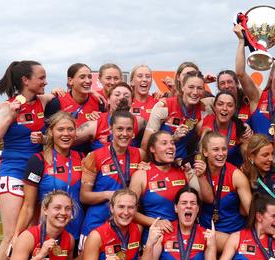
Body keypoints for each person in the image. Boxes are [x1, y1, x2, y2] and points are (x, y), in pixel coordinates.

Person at [0, 60, 55, 260]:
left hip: (36, 175)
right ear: (25, 80)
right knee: (11, 236)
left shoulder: (44, 102)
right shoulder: (6, 107)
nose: (45, 82)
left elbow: (56, 116)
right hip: (13, 174)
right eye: (41, 77)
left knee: (32, 233)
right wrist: (11, 114)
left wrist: (44, 136)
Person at [14, 112, 84, 247]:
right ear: (51, 132)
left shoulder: (83, 159)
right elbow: (28, 206)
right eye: (60, 129)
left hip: (76, 233)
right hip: (46, 234)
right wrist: (17, 235)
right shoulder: (38, 161)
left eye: (70, 129)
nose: (66, 134)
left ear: (75, 133)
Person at [130, 130, 213, 239]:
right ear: (152, 148)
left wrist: (201, 176)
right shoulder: (141, 175)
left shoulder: (184, 170)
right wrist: (156, 222)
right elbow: (129, 211)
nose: (170, 147)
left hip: (184, 238)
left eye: (172, 143)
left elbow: (209, 199)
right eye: (164, 143)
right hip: (156, 237)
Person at [80, 109, 145, 247]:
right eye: (119, 129)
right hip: (96, 223)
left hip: (127, 224)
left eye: (129, 129)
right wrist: (108, 195)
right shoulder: (94, 156)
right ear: (111, 129)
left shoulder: (140, 155)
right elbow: (84, 196)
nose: (124, 134)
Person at [142, 71, 205, 160]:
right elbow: (146, 144)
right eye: (191, 87)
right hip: (160, 163)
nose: (195, 92)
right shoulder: (164, 106)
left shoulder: (203, 110)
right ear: (182, 87)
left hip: (181, 164)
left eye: (199, 88)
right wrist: (173, 138)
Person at [198, 131, 252, 235]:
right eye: (215, 149)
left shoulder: (236, 176)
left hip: (233, 233)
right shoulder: (199, 172)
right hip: (205, 232)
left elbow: (249, 211)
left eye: (224, 149)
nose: (221, 154)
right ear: (205, 152)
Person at [75, 82, 143, 150]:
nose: (122, 98)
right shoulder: (95, 124)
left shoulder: (139, 122)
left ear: (131, 102)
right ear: (108, 100)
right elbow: (67, 139)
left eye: (126, 96)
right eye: (117, 94)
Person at [198, 91, 252, 167]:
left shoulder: (240, 128)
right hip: (207, 170)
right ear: (214, 107)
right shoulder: (203, 123)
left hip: (231, 171)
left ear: (234, 109)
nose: (224, 108)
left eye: (230, 105)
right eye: (220, 104)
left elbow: (248, 155)